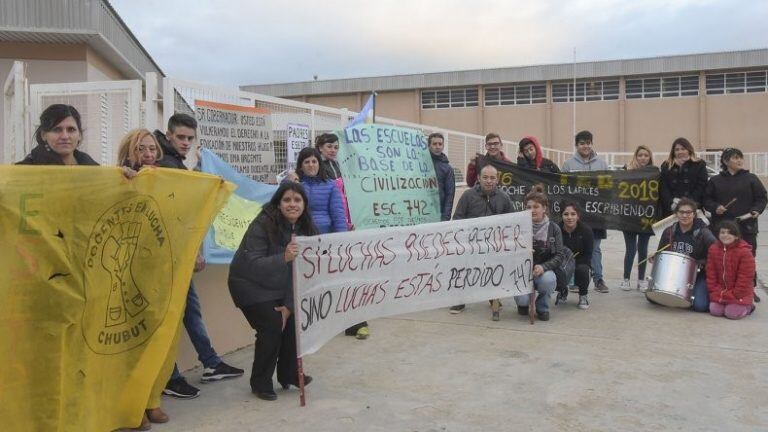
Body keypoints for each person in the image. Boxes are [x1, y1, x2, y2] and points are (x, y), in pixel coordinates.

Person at [153, 114, 244, 399]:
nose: (185, 142)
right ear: (168, 136)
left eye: (190, 138)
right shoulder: (164, 165)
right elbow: (174, 215)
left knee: (190, 312)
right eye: (180, 137)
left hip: (178, 256)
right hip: (166, 258)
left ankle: (209, 363)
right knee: (171, 318)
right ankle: (171, 375)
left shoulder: (176, 164)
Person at [228, 182, 317, 401]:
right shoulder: (263, 224)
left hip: (277, 284)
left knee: (293, 321)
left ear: (304, 204)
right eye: (287, 200)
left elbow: (300, 272)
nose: (292, 204)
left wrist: (288, 305)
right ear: (278, 203)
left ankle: (289, 374)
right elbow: (251, 264)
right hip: (248, 283)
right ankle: (260, 382)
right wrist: (283, 258)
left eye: (297, 200)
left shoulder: (306, 229)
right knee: (272, 325)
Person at [115, 128, 170, 429]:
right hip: (125, 271)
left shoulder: (166, 178)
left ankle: (152, 400)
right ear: (129, 151)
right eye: (141, 149)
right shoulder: (117, 177)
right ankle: (131, 407)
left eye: (151, 149)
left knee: (158, 338)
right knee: (131, 344)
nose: (148, 155)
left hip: (158, 269)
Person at [449, 164, 514, 318]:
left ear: (497, 179)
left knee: (494, 268)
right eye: (485, 177)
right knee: (461, 268)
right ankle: (460, 299)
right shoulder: (467, 195)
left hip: (494, 246)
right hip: (470, 244)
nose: (489, 181)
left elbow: (512, 222)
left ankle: (493, 297)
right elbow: (457, 218)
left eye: (492, 178)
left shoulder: (504, 198)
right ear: (478, 178)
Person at [703, 147, 767, 299]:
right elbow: (706, 200)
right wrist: (715, 207)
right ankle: (722, 288)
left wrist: (757, 210)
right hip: (722, 227)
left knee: (747, 257)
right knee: (722, 258)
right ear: (726, 161)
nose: (739, 160)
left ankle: (749, 289)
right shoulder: (715, 181)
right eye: (735, 158)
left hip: (746, 226)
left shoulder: (751, 178)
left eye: (740, 157)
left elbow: (762, 198)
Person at [561, 130, 610, 293]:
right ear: (577, 145)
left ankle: (598, 279)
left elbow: (607, 189)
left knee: (595, 248)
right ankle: (574, 280)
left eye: (588, 142)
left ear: (592, 144)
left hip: (596, 214)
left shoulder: (602, 165)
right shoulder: (568, 165)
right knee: (574, 247)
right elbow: (563, 188)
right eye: (582, 143)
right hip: (575, 215)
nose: (585, 146)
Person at [652, 198, 716, 312]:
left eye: (688, 212)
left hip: (698, 274)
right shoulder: (669, 231)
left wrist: (700, 264)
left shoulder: (704, 232)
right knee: (654, 297)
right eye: (681, 212)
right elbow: (661, 253)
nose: (685, 215)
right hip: (674, 273)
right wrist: (655, 256)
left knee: (700, 306)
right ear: (676, 214)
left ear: (694, 214)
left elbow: (717, 254)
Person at [514, 185, 566, 321]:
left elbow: (560, 255)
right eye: (529, 207)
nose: (532, 210)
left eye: (536, 207)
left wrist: (544, 267)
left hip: (543, 271)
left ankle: (542, 306)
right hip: (522, 271)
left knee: (548, 280)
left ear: (544, 208)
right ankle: (523, 303)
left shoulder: (554, 229)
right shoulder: (517, 227)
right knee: (523, 301)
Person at [706, 221, 756, 320]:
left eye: (729, 233)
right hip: (720, 291)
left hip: (739, 293)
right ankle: (727, 304)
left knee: (731, 314)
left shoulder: (744, 252)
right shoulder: (713, 249)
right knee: (715, 311)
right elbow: (711, 273)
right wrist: (714, 290)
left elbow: (745, 278)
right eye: (722, 232)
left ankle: (748, 307)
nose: (725, 235)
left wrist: (735, 294)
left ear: (736, 236)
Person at [621, 145, 655, 292]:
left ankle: (641, 280)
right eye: (640, 155)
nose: (643, 158)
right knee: (630, 249)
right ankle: (626, 279)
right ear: (636, 156)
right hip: (629, 216)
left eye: (646, 155)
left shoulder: (654, 173)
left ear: (650, 157)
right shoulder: (626, 171)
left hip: (646, 217)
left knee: (643, 249)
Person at [295, 147, 347, 234]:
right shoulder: (294, 184)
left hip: (324, 236)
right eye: (307, 162)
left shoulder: (331, 185)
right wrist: (291, 180)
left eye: (314, 161)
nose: (311, 165)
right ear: (301, 166)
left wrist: (342, 238)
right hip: (300, 236)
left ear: (319, 164)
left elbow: (338, 216)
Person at [659, 137, 708, 218]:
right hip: (671, 210)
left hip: (693, 208)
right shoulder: (666, 165)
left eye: (683, 149)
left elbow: (701, 186)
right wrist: (671, 201)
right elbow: (663, 187)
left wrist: (688, 203)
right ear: (673, 152)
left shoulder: (699, 164)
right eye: (677, 149)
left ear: (689, 150)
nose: (680, 151)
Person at [559, 201, 594, 310]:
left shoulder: (586, 231)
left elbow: (588, 256)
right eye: (566, 214)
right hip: (561, 261)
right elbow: (553, 252)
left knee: (583, 270)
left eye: (573, 214)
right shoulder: (556, 229)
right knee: (556, 269)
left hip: (580, 262)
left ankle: (583, 295)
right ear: (561, 215)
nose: (569, 217)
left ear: (578, 216)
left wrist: (573, 266)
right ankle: (562, 291)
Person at [428, 132, 456, 221]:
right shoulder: (420, 164)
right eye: (434, 144)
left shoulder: (448, 169)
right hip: (421, 212)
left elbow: (450, 195)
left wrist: (446, 218)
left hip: (439, 214)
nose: (437, 146)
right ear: (429, 146)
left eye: (440, 144)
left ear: (443, 146)